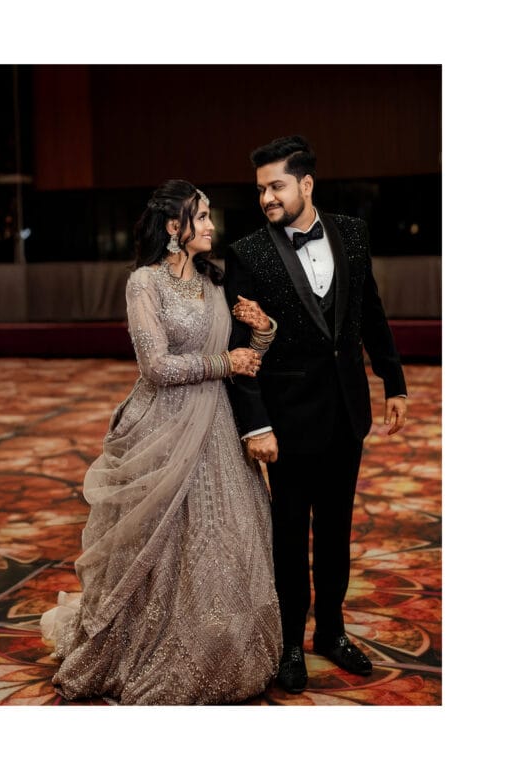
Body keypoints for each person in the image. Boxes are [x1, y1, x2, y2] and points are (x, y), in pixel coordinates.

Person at [41, 179, 282, 705]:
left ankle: (221, 648)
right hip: (161, 428)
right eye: (202, 217)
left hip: (216, 425)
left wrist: (262, 331)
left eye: (210, 216)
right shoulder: (143, 284)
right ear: (174, 227)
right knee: (157, 541)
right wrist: (222, 362)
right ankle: (142, 646)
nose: (212, 225)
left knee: (225, 540)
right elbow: (155, 366)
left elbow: (244, 358)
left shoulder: (214, 281)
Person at [225, 136, 408, 693]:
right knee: (288, 537)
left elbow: (369, 310)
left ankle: (331, 631)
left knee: (335, 532)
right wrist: (256, 424)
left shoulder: (352, 233)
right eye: (261, 189)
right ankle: (288, 644)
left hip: (347, 412)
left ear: (306, 184)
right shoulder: (247, 252)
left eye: (276, 186)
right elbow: (241, 349)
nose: (267, 198)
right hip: (286, 422)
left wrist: (393, 381)